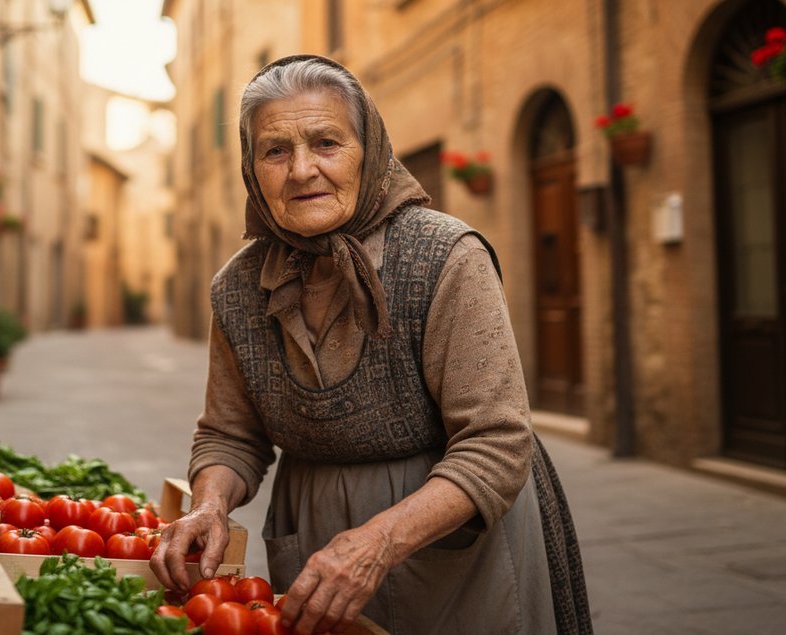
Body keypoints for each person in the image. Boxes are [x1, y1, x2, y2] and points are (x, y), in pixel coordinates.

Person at [149, 54, 590, 635]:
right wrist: (209, 505)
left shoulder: (446, 256)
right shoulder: (237, 287)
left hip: (449, 533)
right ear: (252, 170)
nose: (302, 170)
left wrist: (378, 542)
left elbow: (497, 442)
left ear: (370, 150)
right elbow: (230, 435)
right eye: (275, 151)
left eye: (327, 143)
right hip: (313, 528)